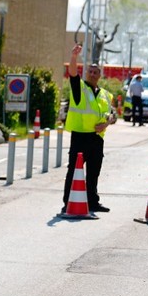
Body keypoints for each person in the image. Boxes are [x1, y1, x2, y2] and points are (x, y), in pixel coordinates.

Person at [62, 43, 116, 213]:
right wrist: (73, 57)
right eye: (90, 72)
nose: (92, 74)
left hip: (96, 138)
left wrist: (106, 124)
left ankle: (93, 202)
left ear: (100, 75)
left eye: (95, 72)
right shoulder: (80, 88)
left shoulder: (106, 95)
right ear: (86, 74)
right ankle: (68, 203)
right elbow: (72, 73)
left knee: (94, 172)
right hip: (79, 137)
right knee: (73, 171)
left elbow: (113, 115)